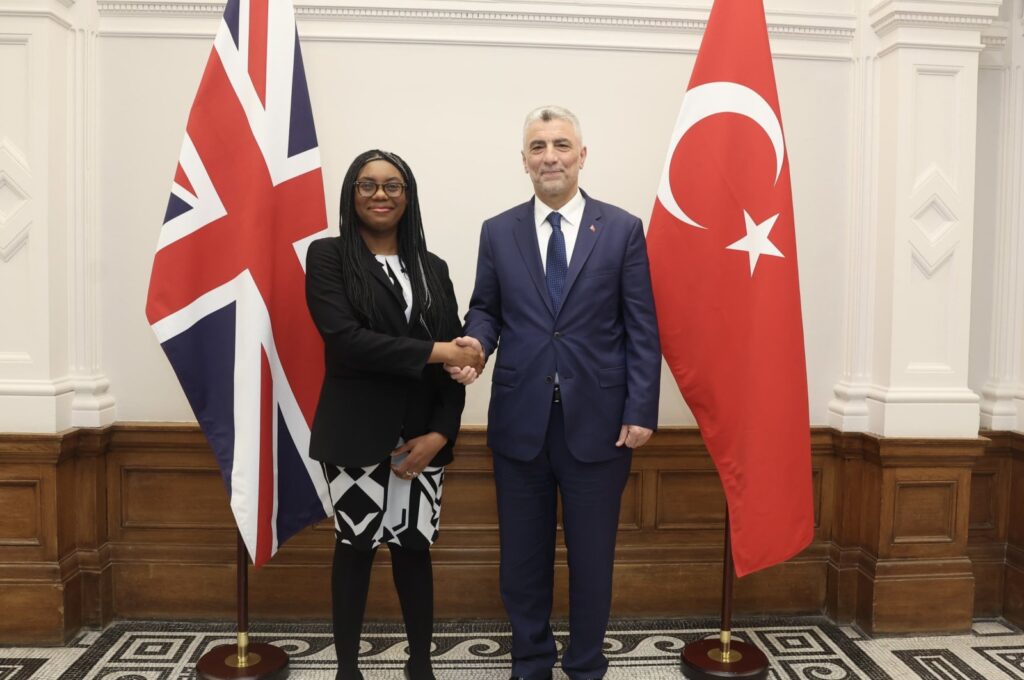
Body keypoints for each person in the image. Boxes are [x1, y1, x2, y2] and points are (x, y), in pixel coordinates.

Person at [449, 106, 661, 680]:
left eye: (561, 145)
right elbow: (487, 308)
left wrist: (642, 407)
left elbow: (642, 326)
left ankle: (587, 664)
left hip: (601, 423)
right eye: (538, 147)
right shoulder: (499, 231)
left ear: (582, 156)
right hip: (521, 422)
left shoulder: (621, 229)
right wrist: (475, 347)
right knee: (522, 559)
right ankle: (531, 661)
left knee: (593, 560)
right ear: (523, 161)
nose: (550, 156)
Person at [305, 149, 483, 680]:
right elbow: (348, 343)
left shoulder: (432, 269)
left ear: (408, 196)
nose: (380, 194)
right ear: (351, 195)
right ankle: (347, 670)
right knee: (354, 549)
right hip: (356, 433)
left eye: (392, 185)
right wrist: (443, 352)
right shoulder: (329, 257)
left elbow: (457, 359)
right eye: (367, 185)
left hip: (421, 437)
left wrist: (441, 432)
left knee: (413, 550)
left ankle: (421, 665)